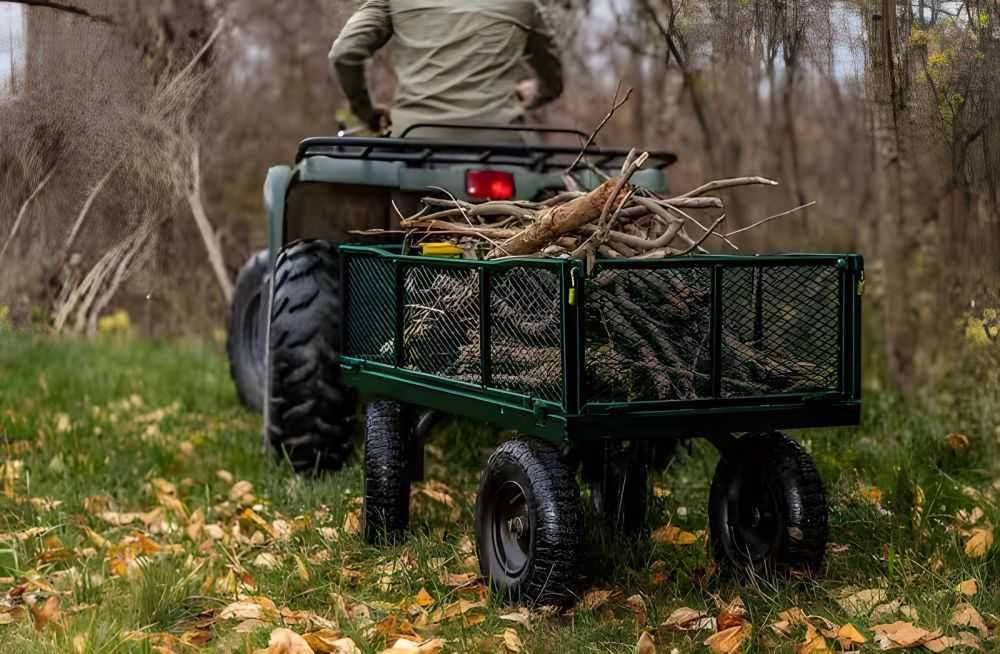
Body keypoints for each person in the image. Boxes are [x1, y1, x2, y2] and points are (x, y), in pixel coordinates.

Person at [330, 0, 564, 142]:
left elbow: (344, 52)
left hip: (414, 137)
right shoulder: (526, 5)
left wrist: (367, 114)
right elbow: (553, 78)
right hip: (500, 141)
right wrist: (532, 92)